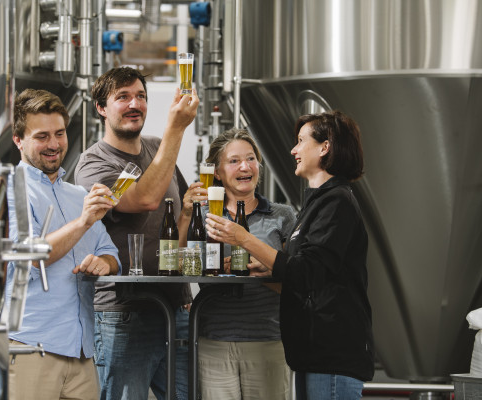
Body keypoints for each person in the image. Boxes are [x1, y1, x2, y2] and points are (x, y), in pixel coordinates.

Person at [205, 111, 374, 399]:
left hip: (333, 353)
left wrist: (243, 238)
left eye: (301, 141)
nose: (293, 150)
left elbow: (306, 274)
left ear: (325, 147)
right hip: (312, 352)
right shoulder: (317, 204)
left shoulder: (337, 202)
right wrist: (268, 269)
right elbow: (299, 268)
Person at [74, 67, 199, 400]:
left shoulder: (158, 148)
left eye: (141, 96)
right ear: (101, 107)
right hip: (123, 313)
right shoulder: (93, 164)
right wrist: (177, 128)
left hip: (174, 309)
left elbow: (178, 222)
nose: (135, 104)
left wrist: (184, 290)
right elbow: (145, 199)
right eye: (123, 97)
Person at [5, 89, 121, 400]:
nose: (54, 144)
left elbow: (111, 253)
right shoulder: (12, 188)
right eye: (42, 136)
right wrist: (83, 222)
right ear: (18, 140)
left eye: (59, 133)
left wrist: (104, 263)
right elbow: (29, 255)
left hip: (81, 351)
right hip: (32, 347)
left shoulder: (78, 195)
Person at [177, 128, 297, 400]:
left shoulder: (283, 216)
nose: (245, 167)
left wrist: (259, 270)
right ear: (217, 173)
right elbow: (176, 261)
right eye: (234, 161)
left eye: (251, 158)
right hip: (214, 340)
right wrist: (185, 214)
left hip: (268, 339)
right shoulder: (203, 214)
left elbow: (296, 282)